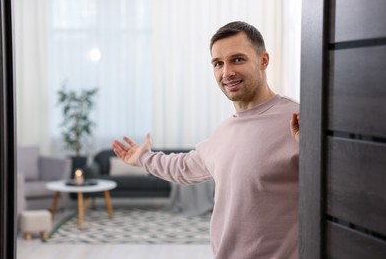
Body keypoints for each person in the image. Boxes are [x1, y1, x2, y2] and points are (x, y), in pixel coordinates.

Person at [113, 21, 300, 259]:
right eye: (218, 63)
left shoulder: (297, 120)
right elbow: (183, 167)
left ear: (263, 61)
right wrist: (142, 157)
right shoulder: (225, 130)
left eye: (238, 59)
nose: (226, 72)